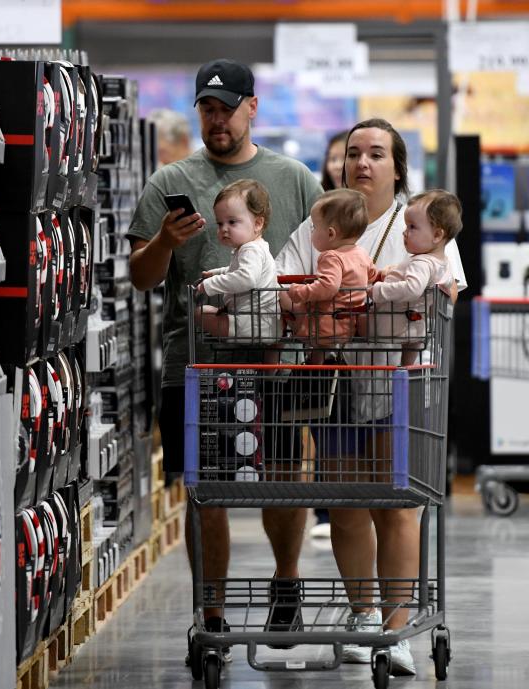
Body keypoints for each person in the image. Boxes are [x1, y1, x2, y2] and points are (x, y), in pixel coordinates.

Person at [128, 59, 323, 661]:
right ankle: (210, 617)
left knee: (285, 479)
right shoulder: (169, 181)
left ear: (252, 108)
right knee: (205, 490)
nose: (217, 119)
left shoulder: (293, 179)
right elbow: (140, 276)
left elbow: (336, 247)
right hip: (198, 363)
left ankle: (285, 584)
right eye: (207, 109)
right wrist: (165, 241)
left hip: (280, 363)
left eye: (227, 108)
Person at [276, 118, 466, 676]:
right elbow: (284, 277)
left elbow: (447, 289)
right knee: (347, 501)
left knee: (398, 502)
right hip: (335, 379)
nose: (362, 163)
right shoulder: (325, 219)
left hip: (399, 382)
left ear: (397, 166)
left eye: (377, 154)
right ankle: (363, 617)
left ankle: (395, 626)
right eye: (354, 153)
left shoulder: (421, 220)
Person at [283, 189, 375, 365]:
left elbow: (328, 287)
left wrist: (300, 291)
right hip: (346, 325)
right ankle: (316, 364)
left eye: (315, 228)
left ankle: (313, 363)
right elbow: (373, 274)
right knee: (319, 351)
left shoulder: (331, 257)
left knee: (283, 295)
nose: (312, 232)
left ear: (331, 234)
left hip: (323, 326)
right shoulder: (361, 254)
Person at [370, 190, 461, 366]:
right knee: (408, 359)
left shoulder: (421, 262)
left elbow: (413, 288)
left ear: (437, 235)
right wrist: (394, 271)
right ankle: (406, 369)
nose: (405, 232)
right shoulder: (442, 263)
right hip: (416, 322)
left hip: (394, 320)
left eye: (412, 227)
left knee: (359, 324)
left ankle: (404, 369)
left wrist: (378, 290)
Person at [310, 130, 348, 539]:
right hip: (325, 350)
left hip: (369, 362)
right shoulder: (315, 218)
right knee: (325, 425)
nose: (344, 164)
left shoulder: (402, 219)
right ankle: (324, 509)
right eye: (338, 156)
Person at [197, 179, 280, 347]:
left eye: (232, 222)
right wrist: (217, 273)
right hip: (265, 322)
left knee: (200, 314)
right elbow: (237, 270)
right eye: (220, 223)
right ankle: (273, 367)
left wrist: (210, 284)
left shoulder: (251, 250)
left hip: (252, 324)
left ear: (258, 223)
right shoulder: (255, 247)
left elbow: (246, 279)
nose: (224, 229)